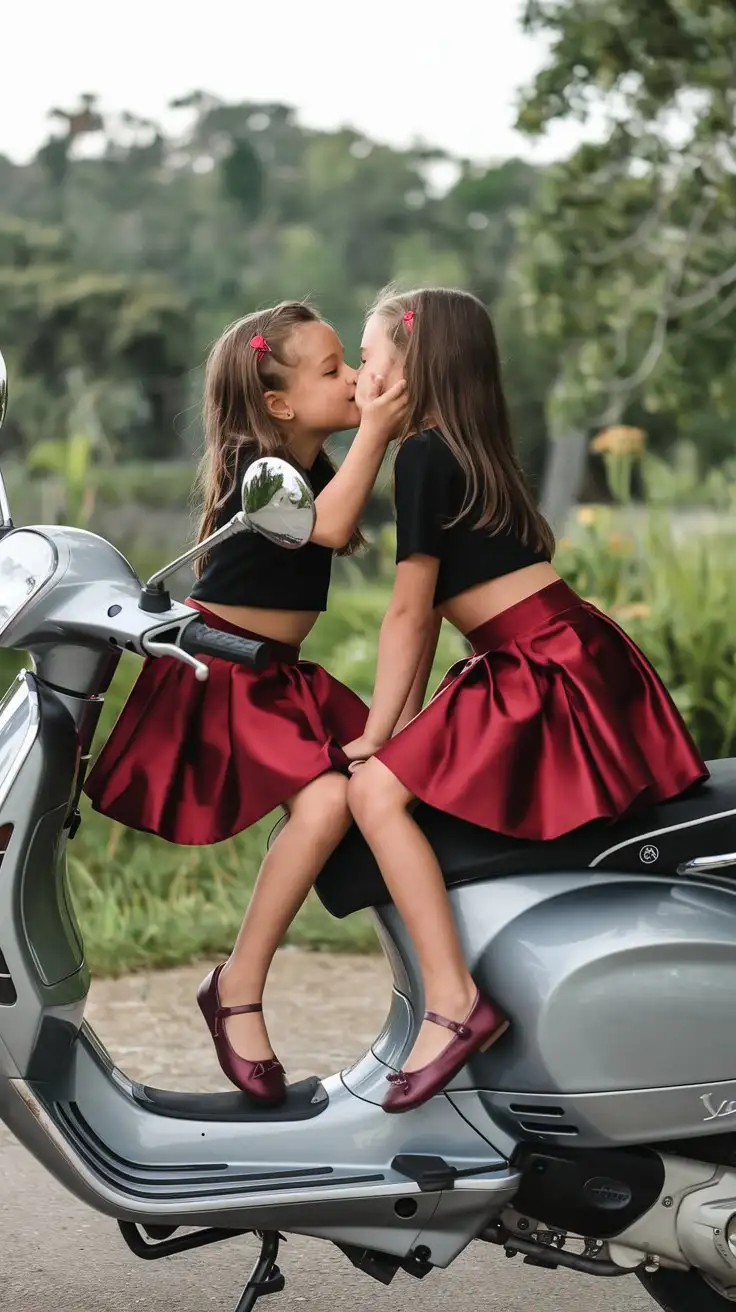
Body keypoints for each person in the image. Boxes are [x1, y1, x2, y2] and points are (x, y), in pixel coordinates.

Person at [344, 286, 709, 1114]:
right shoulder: (472, 449)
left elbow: (410, 613)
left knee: (373, 791)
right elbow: (434, 617)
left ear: (412, 367)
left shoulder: (423, 457)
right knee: (396, 777)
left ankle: (454, 1002)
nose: (362, 375)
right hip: (563, 647)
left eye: (369, 358)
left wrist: (376, 735)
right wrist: (397, 725)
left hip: (537, 666)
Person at [84, 301, 407, 1104]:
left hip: (274, 670)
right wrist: (375, 428)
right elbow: (327, 532)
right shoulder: (259, 469)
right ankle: (235, 988)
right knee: (329, 801)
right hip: (224, 668)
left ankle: (430, 980)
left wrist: (395, 406)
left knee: (374, 789)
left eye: (351, 364)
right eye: (334, 371)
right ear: (279, 405)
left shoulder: (315, 459)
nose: (355, 381)